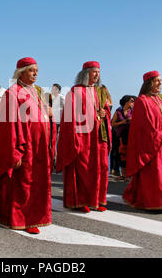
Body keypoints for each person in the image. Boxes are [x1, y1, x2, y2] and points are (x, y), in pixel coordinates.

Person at [0, 57, 56, 233]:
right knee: (24, 183)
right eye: (31, 70)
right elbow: (9, 125)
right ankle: (25, 218)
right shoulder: (12, 93)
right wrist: (14, 151)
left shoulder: (36, 91)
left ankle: (27, 214)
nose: (35, 73)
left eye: (37, 70)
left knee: (36, 183)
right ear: (21, 72)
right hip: (25, 145)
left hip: (40, 146)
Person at [56, 61, 112, 213]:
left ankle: (96, 199)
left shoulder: (100, 92)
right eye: (94, 72)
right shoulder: (74, 92)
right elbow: (68, 117)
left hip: (99, 138)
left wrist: (104, 114)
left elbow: (106, 112)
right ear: (85, 74)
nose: (97, 75)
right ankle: (80, 201)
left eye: (98, 72)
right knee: (83, 169)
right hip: (82, 137)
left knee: (100, 168)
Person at [123, 71, 162, 215]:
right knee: (154, 173)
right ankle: (155, 202)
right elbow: (143, 123)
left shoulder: (160, 100)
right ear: (149, 82)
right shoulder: (142, 100)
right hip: (152, 143)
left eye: (160, 80)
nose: (160, 83)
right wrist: (157, 135)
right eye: (157, 81)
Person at [111, 95, 135, 181]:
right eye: (131, 101)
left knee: (131, 155)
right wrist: (123, 122)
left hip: (131, 135)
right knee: (122, 155)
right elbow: (112, 124)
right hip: (121, 136)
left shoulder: (133, 111)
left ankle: (130, 175)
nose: (133, 102)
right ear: (126, 102)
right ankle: (123, 174)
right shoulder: (118, 111)